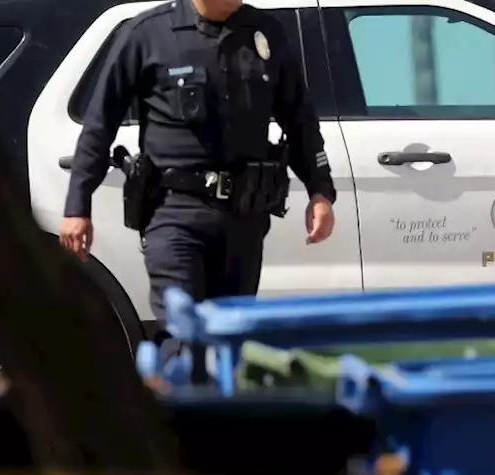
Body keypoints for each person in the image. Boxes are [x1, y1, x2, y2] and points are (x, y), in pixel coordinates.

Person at [59, 0, 336, 359]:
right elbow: (99, 126)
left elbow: (300, 121)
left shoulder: (267, 33)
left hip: (244, 220)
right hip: (175, 215)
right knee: (185, 339)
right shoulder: (148, 34)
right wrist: (77, 205)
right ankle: (174, 409)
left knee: (229, 346)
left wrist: (320, 192)